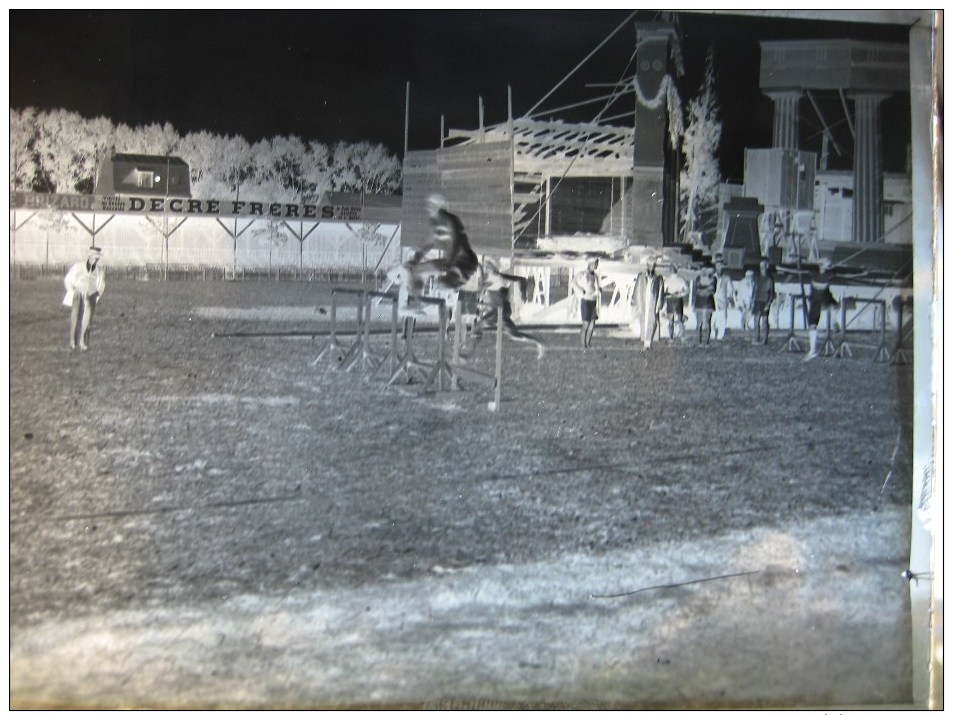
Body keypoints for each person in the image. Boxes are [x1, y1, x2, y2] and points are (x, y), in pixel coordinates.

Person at [403, 194, 480, 309]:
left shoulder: (451, 220)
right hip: (450, 261)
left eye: (432, 206)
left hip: (465, 262)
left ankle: (456, 283)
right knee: (414, 270)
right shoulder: (435, 224)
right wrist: (415, 259)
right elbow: (428, 244)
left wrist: (449, 263)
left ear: (439, 206)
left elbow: (456, 243)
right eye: (428, 206)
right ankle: (417, 304)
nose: (429, 209)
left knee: (442, 284)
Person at [476, 262, 546, 359]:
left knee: (481, 324)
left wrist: (523, 293)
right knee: (512, 334)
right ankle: (537, 341)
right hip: (498, 309)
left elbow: (521, 280)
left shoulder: (496, 278)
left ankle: (538, 341)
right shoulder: (491, 278)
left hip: (500, 310)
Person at [63, 245, 106, 351]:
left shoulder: (100, 270)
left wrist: (96, 294)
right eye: (94, 256)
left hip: (91, 295)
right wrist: (73, 290)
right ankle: (73, 342)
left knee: (87, 319)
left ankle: (84, 342)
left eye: (97, 257)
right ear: (89, 256)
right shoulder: (78, 266)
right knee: (76, 317)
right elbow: (68, 279)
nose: (96, 259)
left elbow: (101, 284)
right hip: (77, 294)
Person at [803, 257, 839, 361]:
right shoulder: (814, 273)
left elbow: (846, 275)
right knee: (812, 325)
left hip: (822, 299)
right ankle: (813, 350)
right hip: (817, 301)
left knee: (833, 304)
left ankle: (834, 321)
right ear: (821, 265)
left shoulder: (828, 274)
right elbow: (800, 270)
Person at [573, 258, 602, 349]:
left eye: (597, 264)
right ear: (590, 264)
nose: (596, 266)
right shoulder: (582, 273)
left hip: (593, 300)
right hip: (585, 300)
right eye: (595, 264)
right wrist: (580, 290)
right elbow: (573, 282)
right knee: (586, 323)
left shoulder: (596, 276)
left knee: (592, 323)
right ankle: (583, 345)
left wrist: (599, 290)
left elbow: (596, 287)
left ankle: (588, 344)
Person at [639, 260, 665, 350]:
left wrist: (659, 303)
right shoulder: (642, 276)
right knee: (644, 321)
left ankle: (648, 342)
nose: (651, 267)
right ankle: (645, 341)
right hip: (644, 301)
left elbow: (661, 292)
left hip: (653, 302)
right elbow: (638, 290)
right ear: (647, 265)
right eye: (650, 265)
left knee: (653, 321)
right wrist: (637, 303)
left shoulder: (658, 278)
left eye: (653, 265)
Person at [751, 256, 776, 345]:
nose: (762, 267)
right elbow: (754, 291)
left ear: (767, 266)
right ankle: (756, 338)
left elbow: (772, 293)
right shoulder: (756, 278)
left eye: (764, 265)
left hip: (765, 301)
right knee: (756, 321)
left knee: (764, 321)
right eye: (761, 265)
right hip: (757, 301)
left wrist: (768, 304)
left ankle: (764, 340)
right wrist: (752, 301)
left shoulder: (769, 279)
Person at [692, 265, 717, 345]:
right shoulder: (698, 279)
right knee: (699, 323)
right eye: (703, 270)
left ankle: (706, 342)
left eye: (706, 270)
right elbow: (697, 289)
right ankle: (699, 341)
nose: (704, 272)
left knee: (708, 323)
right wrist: (707, 288)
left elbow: (712, 290)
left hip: (708, 303)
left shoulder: (713, 279)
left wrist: (702, 290)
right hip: (699, 303)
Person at [662, 266, 688, 340]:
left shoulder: (667, 280)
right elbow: (686, 290)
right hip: (677, 299)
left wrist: (670, 294)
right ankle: (681, 337)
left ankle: (671, 338)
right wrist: (679, 294)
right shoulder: (680, 280)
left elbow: (663, 291)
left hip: (672, 299)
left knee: (672, 320)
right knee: (679, 320)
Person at [712, 257, 735, 340]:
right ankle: (712, 333)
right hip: (712, 300)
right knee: (712, 317)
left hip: (723, 300)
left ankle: (720, 335)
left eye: (721, 266)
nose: (719, 268)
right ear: (715, 267)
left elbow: (730, 289)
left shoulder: (726, 278)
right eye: (717, 266)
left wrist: (729, 298)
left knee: (722, 317)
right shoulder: (712, 276)